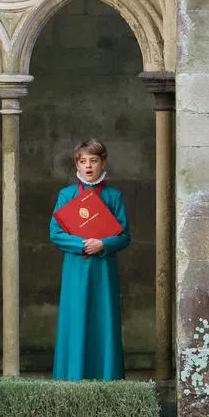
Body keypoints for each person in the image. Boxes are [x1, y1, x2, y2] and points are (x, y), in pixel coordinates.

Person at [50, 139, 131, 380]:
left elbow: (125, 236)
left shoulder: (113, 196)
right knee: (74, 319)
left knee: (103, 320)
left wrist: (104, 244)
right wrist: (82, 244)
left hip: (103, 270)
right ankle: (72, 377)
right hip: (76, 268)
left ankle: (107, 378)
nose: (88, 166)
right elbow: (55, 233)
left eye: (93, 161)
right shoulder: (66, 194)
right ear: (76, 164)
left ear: (102, 163)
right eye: (83, 161)